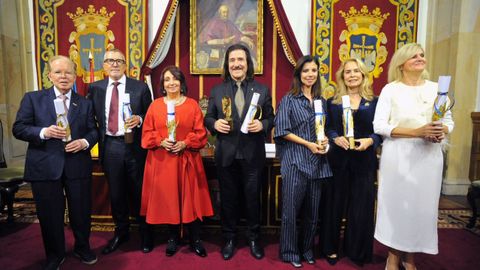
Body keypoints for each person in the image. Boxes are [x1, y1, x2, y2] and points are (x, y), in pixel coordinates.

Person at [373, 43, 454, 270]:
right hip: (398, 157)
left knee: (420, 208)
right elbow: (379, 125)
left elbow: (448, 122)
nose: (420, 58)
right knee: (398, 207)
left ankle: (410, 257)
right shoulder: (391, 89)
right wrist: (417, 132)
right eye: (414, 56)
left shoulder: (437, 89)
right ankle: (393, 256)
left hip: (428, 159)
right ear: (402, 63)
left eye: (422, 55)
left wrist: (441, 132)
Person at [13, 55, 98, 270]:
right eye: (58, 72)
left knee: (81, 212)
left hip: (77, 163)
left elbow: (94, 131)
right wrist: (43, 132)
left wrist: (84, 142)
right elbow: (19, 128)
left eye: (68, 72)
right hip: (44, 165)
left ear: (75, 75)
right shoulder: (33, 99)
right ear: (49, 75)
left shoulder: (85, 103)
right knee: (50, 215)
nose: (63, 76)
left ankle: (82, 247)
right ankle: (55, 254)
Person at [204, 43, 274, 260]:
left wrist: (262, 125)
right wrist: (214, 125)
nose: (236, 64)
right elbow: (208, 117)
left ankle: (253, 238)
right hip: (226, 155)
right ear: (227, 64)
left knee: (252, 199)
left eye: (240, 60)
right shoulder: (217, 90)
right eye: (232, 60)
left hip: (253, 155)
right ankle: (229, 238)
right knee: (228, 199)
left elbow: (271, 118)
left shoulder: (262, 90)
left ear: (247, 63)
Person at [140, 66, 214, 257]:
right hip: (162, 161)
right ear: (162, 85)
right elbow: (146, 134)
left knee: (191, 200)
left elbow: (201, 133)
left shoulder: (192, 105)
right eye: (166, 80)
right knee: (170, 200)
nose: (171, 83)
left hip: (187, 159)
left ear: (181, 83)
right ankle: (172, 238)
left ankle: (195, 238)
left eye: (175, 79)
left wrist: (185, 143)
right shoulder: (155, 105)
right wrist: (160, 141)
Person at [87, 48, 153, 254]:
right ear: (104, 65)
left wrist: (139, 119)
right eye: (110, 61)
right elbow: (89, 118)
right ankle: (121, 232)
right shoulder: (95, 88)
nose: (114, 64)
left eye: (119, 60)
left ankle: (146, 233)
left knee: (139, 192)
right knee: (116, 193)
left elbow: (150, 115)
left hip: (134, 147)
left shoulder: (140, 87)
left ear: (125, 65)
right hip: (110, 146)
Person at [319, 58, 381, 266]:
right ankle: (330, 248)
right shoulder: (333, 102)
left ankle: (357, 250)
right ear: (342, 76)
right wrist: (336, 137)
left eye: (356, 71)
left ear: (363, 75)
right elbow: (327, 128)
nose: (352, 75)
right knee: (334, 205)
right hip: (338, 160)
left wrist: (370, 140)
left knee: (361, 208)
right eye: (348, 72)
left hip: (364, 161)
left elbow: (381, 132)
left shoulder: (375, 101)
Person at [274, 55, 332, 268]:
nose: (310, 74)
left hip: (318, 163)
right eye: (306, 71)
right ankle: (290, 252)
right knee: (290, 212)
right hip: (295, 162)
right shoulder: (289, 99)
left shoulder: (321, 101)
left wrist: (324, 140)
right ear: (299, 74)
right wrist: (308, 144)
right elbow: (282, 131)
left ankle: (307, 249)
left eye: (314, 71)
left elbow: (323, 130)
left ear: (318, 74)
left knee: (313, 213)